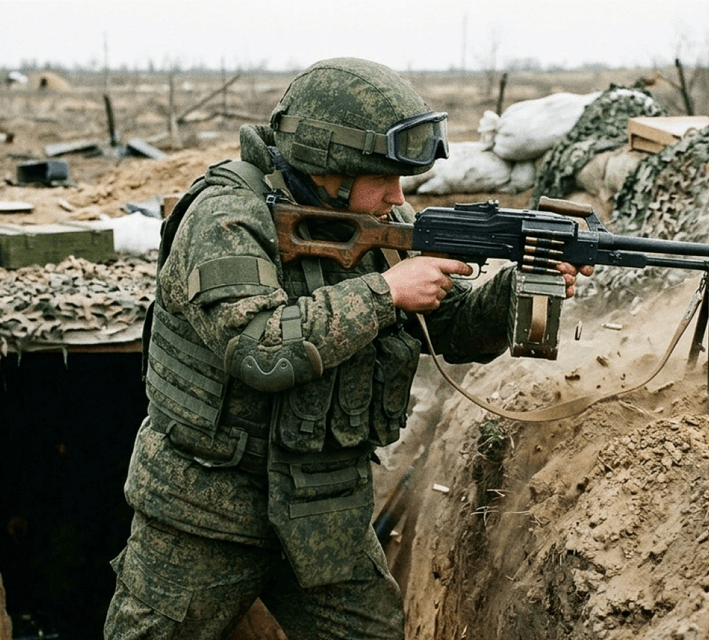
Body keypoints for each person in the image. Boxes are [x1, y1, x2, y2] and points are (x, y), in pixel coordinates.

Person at [103, 57, 590, 640]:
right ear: (328, 166)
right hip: (205, 510)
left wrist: (519, 288)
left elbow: (450, 326)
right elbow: (258, 348)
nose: (397, 196)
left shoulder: (381, 216)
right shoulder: (224, 218)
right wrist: (386, 292)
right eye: (381, 179)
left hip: (324, 507)